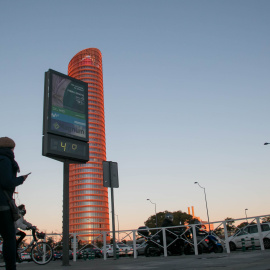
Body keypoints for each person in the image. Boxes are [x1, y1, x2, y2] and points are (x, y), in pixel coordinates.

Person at [0, 137, 30, 270]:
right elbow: (6, 182)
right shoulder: (5, 160)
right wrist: (21, 179)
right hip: (2, 204)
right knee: (9, 238)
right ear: (10, 148)